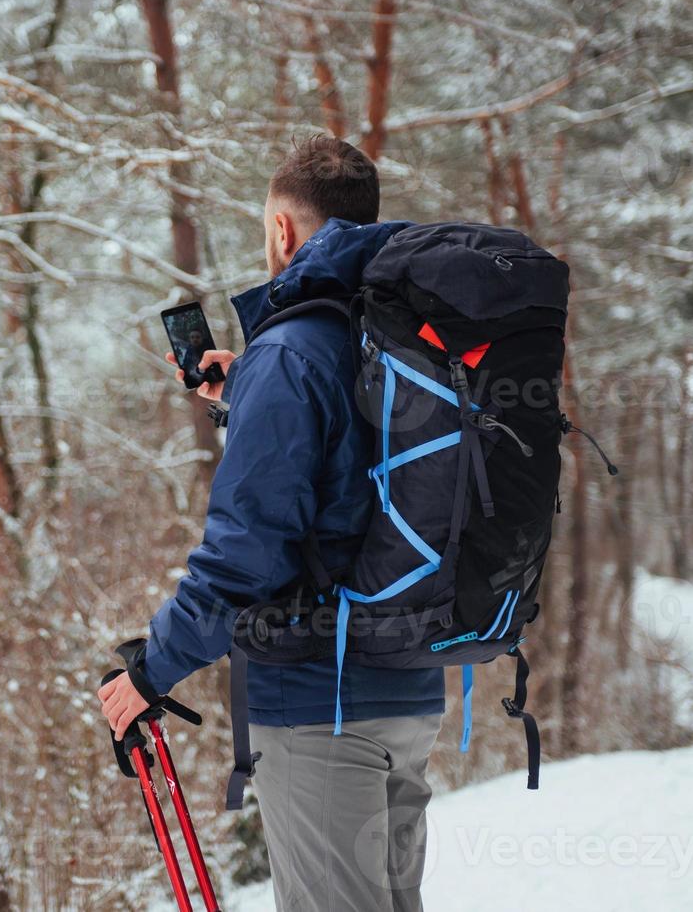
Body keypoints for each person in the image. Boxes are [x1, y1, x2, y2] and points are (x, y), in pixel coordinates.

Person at [99, 136, 444, 911]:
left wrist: (151, 670)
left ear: (282, 232)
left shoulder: (290, 354)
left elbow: (244, 554)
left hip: (321, 701)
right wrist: (243, 398)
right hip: (410, 688)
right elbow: (355, 478)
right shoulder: (393, 342)